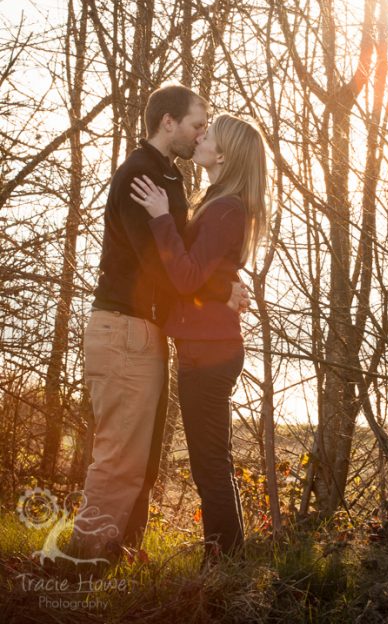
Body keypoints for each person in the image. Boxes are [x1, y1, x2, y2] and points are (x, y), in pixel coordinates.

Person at [70, 85, 248, 563]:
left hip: (145, 332)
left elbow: (187, 260)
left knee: (142, 459)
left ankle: (119, 551)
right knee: (121, 456)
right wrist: (220, 290)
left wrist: (219, 284)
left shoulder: (169, 177)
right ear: (167, 122)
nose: (200, 134)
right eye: (196, 124)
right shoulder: (139, 177)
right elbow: (161, 267)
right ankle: (85, 558)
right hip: (122, 326)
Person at [130, 113, 268, 564]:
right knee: (213, 463)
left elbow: (186, 275)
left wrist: (159, 218)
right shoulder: (218, 201)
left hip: (209, 352)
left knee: (210, 465)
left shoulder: (226, 208)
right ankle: (228, 559)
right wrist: (226, 290)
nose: (201, 135)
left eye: (210, 134)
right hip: (206, 346)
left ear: (224, 155)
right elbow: (200, 275)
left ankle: (224, 564)